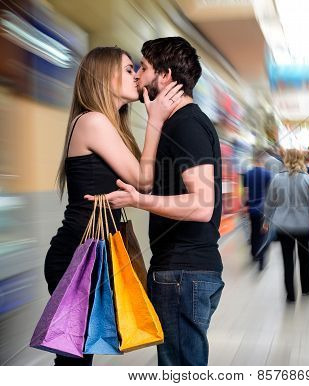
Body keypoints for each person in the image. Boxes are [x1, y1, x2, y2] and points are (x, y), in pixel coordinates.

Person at [87, 37, 223, 366]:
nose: (137, 75)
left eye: (143, 68)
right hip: (184, 272)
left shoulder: (186, 125)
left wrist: (138, 200)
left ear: (163, 76)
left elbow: (202, 206)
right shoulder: (177, 123)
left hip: (183, 273)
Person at [45, 46, 183, 366]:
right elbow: (143, 180)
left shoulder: (106, 124)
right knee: (75, 359)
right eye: (127, 69)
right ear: (103, 77)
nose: (136, 75)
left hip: (93, 253)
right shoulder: (93, 121)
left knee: (79, 357)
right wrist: (156, 121)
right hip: (79, 255)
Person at [264, 149, 309, 302]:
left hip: (284, 227)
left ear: (285, 160)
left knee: (287, 260)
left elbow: (270, 203)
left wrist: (266, 221)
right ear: (300, 160)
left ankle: (290, 295)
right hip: (304, 226)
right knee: (305, 258)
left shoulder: (277, 178)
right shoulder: (308, 180)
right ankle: (306, 289)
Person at [243, 149, 272, 269]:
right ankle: (261, 258)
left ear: (254, 159)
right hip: (264, 208)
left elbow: (245, 192)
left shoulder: (247, 173)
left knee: (254, 231)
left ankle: (254, 254)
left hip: (252, 208)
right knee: (264, 233)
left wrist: (245, 205)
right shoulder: (268, 174)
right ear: (263, 160)